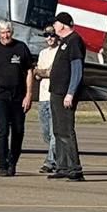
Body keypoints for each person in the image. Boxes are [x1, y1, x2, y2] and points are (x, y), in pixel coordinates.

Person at [0, 20, 36, 176]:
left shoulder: (21, 48)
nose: (5, 35)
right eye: (2, 32)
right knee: (2, 130)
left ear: (12, 32)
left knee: (18, 130)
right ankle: (2, 165)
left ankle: (12, 161)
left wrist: (29, 95)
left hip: (18, 96)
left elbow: (29, 71)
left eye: (8, 32)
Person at [48, 11, 88, 182]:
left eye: (56, 24)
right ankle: (62, 166)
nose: (54, 27)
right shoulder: (64, 42)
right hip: (56, 92)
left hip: (65, 93)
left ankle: (75, 168)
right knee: (58, 131)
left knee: (66, 131)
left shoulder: (74, 41)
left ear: (63, 24)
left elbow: (77, 69)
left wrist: (70, 92)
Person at [34, 30, 60, 175]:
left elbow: (52, 72)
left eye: (52, 34)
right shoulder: (43, 53)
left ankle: (50, 162)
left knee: (54, 131)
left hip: (54, 96)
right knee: (46, 133)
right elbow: (37, 74)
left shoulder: (60, 52)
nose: (49, 38)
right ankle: (59, 156)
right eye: (46, 35)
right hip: (42, 97)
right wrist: (41, 72)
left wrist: (41, 71)